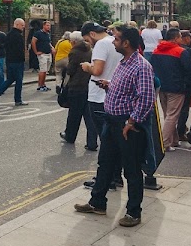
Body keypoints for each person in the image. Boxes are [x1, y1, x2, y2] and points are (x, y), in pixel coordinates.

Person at [74, 25, 155, 227]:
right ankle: (97, 203)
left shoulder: (141, 66)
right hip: (111, 122)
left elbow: (146, 99)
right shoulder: (123, 62)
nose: (113, 41)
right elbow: (127, 89)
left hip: (126, 125)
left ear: (126, 43)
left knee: (131, 169)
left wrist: (131, 122)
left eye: (117, 39)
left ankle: (134, 212)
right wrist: (108, 84)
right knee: (105, 164)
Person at [150, 28, 191, 151]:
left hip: (161, 86)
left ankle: (173, 140)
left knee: (168, 114)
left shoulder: (156, 51)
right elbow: (189, 70)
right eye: (180, 37)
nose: (181, 39)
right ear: (175, 38)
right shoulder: (180, 52)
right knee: (172, 115)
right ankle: (164, 143)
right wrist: (187, 85)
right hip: (177, 87)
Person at [79, 21, 121, 152]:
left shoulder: (101, 45)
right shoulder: (115, 41)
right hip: (113, 93)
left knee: (105, 138)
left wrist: (87, 67)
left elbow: (97, 71)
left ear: (92, 34)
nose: (88, 43)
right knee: (112, 136)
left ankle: (106, 170)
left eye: (87, 39)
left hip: (98, 95)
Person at [60, 31, 93, 145]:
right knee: (88, 115)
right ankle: (92, 141)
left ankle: (70, 136)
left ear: (73, 41)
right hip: (87, 84)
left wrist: (66, 69)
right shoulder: (89, 49)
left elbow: (71, 70)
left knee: (74, 114)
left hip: (76, 85)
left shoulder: (74, 52)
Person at [0, 18, 29, 106]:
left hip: (9, 60)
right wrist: (23, 59)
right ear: (17, 24)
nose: (23, 27)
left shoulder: (8, 34)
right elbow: (20, 49)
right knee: (18, 80)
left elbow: (5, 46)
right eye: (22, 25)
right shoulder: (18, 35)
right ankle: (18, 100)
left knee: (10, 78)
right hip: (17, 61)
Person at [32, 19, 55, 91]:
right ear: (43, 26)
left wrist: (52, 47)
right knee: (42, 70)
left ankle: (43, 84)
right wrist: (36, 51)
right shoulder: (38, 33)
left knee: (46, 71)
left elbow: (48, 43)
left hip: (48, 53)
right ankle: (40, 85)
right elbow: (33, 42)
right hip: (42, 54)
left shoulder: (48, 34)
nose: (49, 27)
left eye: (49, 26)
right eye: (47, 25)